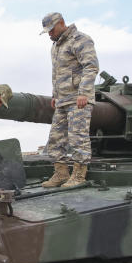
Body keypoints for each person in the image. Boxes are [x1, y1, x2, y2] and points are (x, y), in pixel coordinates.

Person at [38, 13, 99, 189]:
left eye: (51, 30)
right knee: (55, 139)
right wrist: (55, 95)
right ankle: (61, 173)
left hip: (78, 99)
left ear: (61, 23)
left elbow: (91, 66)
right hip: (62, 100)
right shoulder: (55, 46)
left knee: (77, 137)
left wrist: (84, 93)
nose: (49, 34)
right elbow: (57, 73)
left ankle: (79, 175)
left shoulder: (80, 39)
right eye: (47, 31)